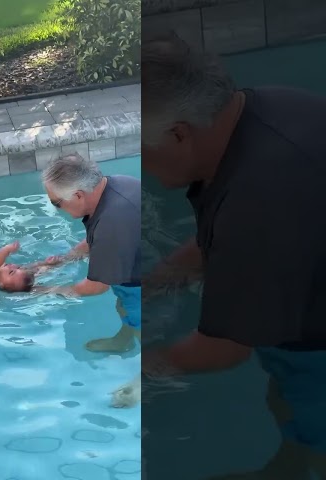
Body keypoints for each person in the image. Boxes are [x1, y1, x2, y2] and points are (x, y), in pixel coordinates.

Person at [141, 31, 326, 479]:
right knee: (285, 402)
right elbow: (225, 241)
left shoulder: (258, 198)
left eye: (140, 149)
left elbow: (224, 348)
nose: (140, 164)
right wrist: (155, 282)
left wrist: (139, 369)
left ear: (178, 134)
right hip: (309, 304)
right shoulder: (267, 108)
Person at [39, 154, 142, 353]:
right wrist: (63, 260)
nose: (57, 209)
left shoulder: (111, 223)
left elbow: (96, 287)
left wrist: (45, 290)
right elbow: (98, 240)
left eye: (56, 203)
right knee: (123, 307)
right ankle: (124, 341)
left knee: (142, 328)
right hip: (145, 265)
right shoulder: (117, 184)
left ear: (78, 195)